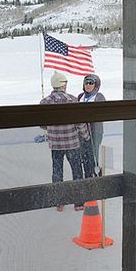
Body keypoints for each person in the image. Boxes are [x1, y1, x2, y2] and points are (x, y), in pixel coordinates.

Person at [40, 71, 91, 211]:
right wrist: (86, 136)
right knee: (77, 171)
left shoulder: (45, 102)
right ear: (63, 85)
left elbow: (42, 124)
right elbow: (80, 123)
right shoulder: (72, 100)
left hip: (55, 144)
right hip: (72, 143)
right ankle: (79, 202)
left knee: (57, 171)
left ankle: (58, 201)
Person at [77, 74, 106, 177]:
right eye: (86, 83)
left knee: (93, 155)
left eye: (91, 83)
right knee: (84, 155)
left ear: (96, 85)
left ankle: (96, 175)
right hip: (82, 132)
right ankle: (87, 175)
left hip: (95, 131)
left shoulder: (99, 97)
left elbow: (101, 113)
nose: (88, 85)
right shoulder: (81, 96)